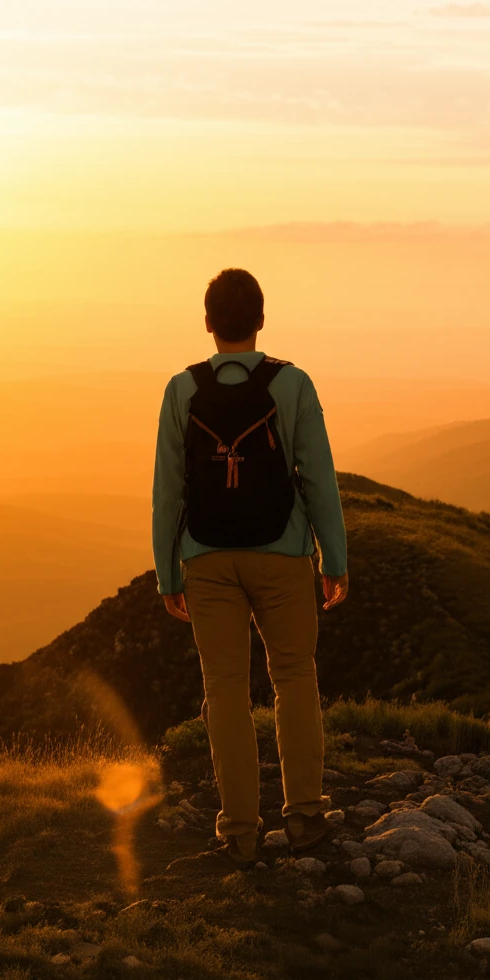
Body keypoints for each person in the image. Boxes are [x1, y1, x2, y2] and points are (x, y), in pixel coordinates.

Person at [151, 267, 348, 864]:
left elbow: (168, 492)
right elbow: (317, 478)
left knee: (226, 691)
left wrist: (168, 573)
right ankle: (305, 818)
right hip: (284, 557)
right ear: (260, 320)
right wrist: (333, 558)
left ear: (208, 324)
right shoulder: (293, 385)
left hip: (206, 561)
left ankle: (238, 832)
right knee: (294, 679)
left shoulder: (181, 391)